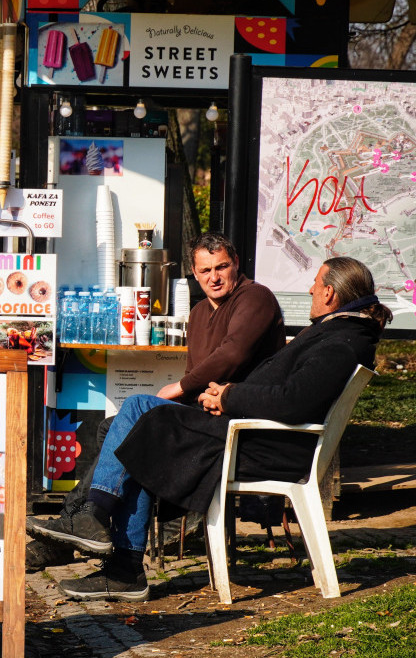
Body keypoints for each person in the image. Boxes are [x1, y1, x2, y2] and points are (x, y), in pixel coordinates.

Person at [33, 256, 391, 603]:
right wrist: (225, 396)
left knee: (139, 409)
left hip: (258, 445)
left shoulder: (343, 339)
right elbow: (289, 393)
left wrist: (230, 396)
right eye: (204, 270)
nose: (311, 288)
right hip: (251, 434)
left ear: (329, 293)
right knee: (135, 427)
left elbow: (293, 401)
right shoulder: (339, 332)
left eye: (315, 284)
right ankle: (111, 550)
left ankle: (99, 525)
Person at [26, 233, 285, 570]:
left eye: (221, 267)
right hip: (206, 415)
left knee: (135, 413)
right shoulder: (198, 313)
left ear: (235, 264)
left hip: (238, 425)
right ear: (193, 272)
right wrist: (193, 390)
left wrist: (180, 386)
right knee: (115, 428)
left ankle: (91, 529)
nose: (214, 277)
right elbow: (201, 379)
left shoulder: (255, 297)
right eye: (205, 270)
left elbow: (233, 353)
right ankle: (93, 530)